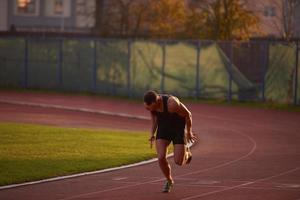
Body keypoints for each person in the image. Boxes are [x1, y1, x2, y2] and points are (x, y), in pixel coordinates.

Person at [143, 90, 197, 193]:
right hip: (163, 129)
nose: (148, 110)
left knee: (178, 162)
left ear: (154, 103)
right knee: (161, 157)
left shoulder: (172, 104)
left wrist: (189, 132)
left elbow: (188, 114)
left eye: (149, 108)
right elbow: (155, 120)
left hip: (177, 130)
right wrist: (152, 134)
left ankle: (186, 152)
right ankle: (169, 180)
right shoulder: (152, 108)